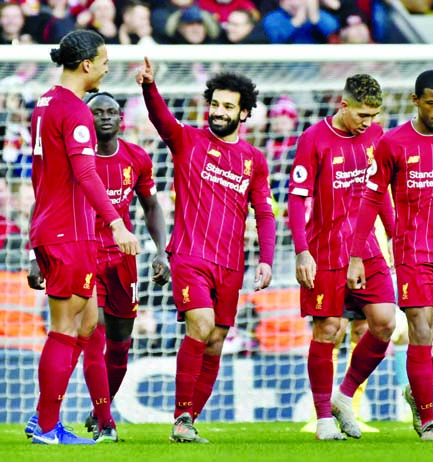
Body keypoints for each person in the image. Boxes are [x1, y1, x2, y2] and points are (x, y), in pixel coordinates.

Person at [136, 58, 276, 443]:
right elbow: (162, 120)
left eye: (228, 106)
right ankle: (181, 418)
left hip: (230, 265)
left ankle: (188, 421)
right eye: (214, 103)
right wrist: (150, 87)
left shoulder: (254, 160)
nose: (218, 111)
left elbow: (264, 212)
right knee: (201, 325)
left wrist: (265, 260)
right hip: (189, 256)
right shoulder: (189, 141)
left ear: (244, 113)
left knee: (215, 341)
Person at [347, 70, 433, 441]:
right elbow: (372, 198)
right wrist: (357, 254)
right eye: (432, 103)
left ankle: (416, 391)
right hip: (412, 251)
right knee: (421, 331)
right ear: (415, 100)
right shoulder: (392, 143)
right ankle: (428, 418)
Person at [26, 30, 139, 445]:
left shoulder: (44, 103)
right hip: (69, 232)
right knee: (64, 326)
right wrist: (116, 222)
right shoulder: (75, 111)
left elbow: (44, 174)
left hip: (58, 228)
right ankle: (47, 425)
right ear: (87, 64)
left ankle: (47, 417)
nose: (109, 66)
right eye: (105, 59)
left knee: (89, 323)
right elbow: (85, 173)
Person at [289, 74, 396, 440]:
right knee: (329, 330)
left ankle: (343, 395)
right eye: (363, 114)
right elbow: (296, 197)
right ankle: (322, 420)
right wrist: (301, 251)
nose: (368, 122)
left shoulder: (376, 136)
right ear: (343, 105)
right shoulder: (313, 139)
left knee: (384, 322)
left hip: (367, 248)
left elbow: (379, 192)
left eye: (374, 115)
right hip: (325, 249)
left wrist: (396, 236)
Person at [78, 92, 169, 440]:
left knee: (119, 345)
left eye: (111, 112)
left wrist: (162, 251)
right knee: (93, 332)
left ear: (121, 119)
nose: (104, 117)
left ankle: (98, 408)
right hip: (84, 254)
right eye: (97, 112)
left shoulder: (137, 157)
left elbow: (151, 207)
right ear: (86, 120)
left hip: (123, 258)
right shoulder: (74, 158)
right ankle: (107, 423)